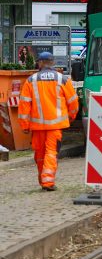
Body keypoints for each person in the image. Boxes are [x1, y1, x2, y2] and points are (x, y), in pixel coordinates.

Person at [18, 52, 79, 191]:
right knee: (51, 152)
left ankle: (42, 180)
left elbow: (24, 105)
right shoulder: (62, 79)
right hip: (55, 126)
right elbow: (73, 102)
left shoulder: (31, 80)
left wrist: (24, 125)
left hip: (37, 126)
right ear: (52, 63)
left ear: (39, 63)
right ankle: (48, 181)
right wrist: (71, 117)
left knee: (39, 154)